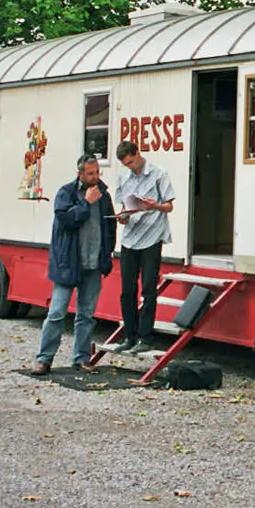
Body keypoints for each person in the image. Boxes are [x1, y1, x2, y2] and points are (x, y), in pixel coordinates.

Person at [30, 154, 116, 376]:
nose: (95, 177)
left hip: (93, 263)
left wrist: (107, 254)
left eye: (97, 172)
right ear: (80, 174)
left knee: (86, 315)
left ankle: (81, 358)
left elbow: (110, 227)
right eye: (90, 173)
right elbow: (66, 221)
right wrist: (86, 203)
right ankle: (44, 359)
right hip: (69, 263)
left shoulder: (104, 196)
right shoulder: (66, 193)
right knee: (57, 313)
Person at [109, 140, 175, 354]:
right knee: (127, 289)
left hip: (152, 236)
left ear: (137, 153)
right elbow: (124, 205)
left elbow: (169, 206)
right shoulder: (123, 176)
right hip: (130, 237)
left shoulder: (158, 173)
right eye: (126, 164)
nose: (130, 167)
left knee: (148, 287)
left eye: (131, 162)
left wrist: (154, 205)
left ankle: (146, 337)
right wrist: (123, 217)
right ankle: (130, 335)